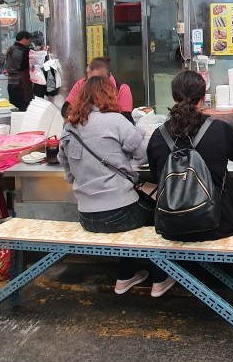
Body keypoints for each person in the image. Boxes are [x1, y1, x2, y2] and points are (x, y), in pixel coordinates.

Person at [58, 76, 172, 297]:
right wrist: (126, 162)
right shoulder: (116, 120)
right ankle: (160, 278)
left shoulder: (69, 127)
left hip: (86, 217)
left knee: (127, 217)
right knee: (158, 214)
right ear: (109, 95)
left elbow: (66, 165)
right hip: (120, 214)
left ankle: (125, 276)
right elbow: (142, 152)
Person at [147, 70, 233, 241]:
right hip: (218, 223)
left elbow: (155, 174)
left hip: (172, 226)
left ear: (174, 98)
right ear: (203, 97)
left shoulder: (158, 135)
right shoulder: (220, 129)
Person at [62, 57, 134, 122]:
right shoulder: (81, 84)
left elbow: (126, 120)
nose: (92, 83)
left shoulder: (122, 89)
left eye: (97, 79)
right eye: (89, 77)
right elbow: (65, 109)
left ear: (108, 76)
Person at [5, 30, 33, 111]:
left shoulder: (11, 49)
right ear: (24, 39)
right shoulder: (22, 51)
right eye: (29, 40)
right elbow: (24, 66)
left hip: (11, 84)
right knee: (23, 109)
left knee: (14, 108)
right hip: (21, 85)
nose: (29, 42)